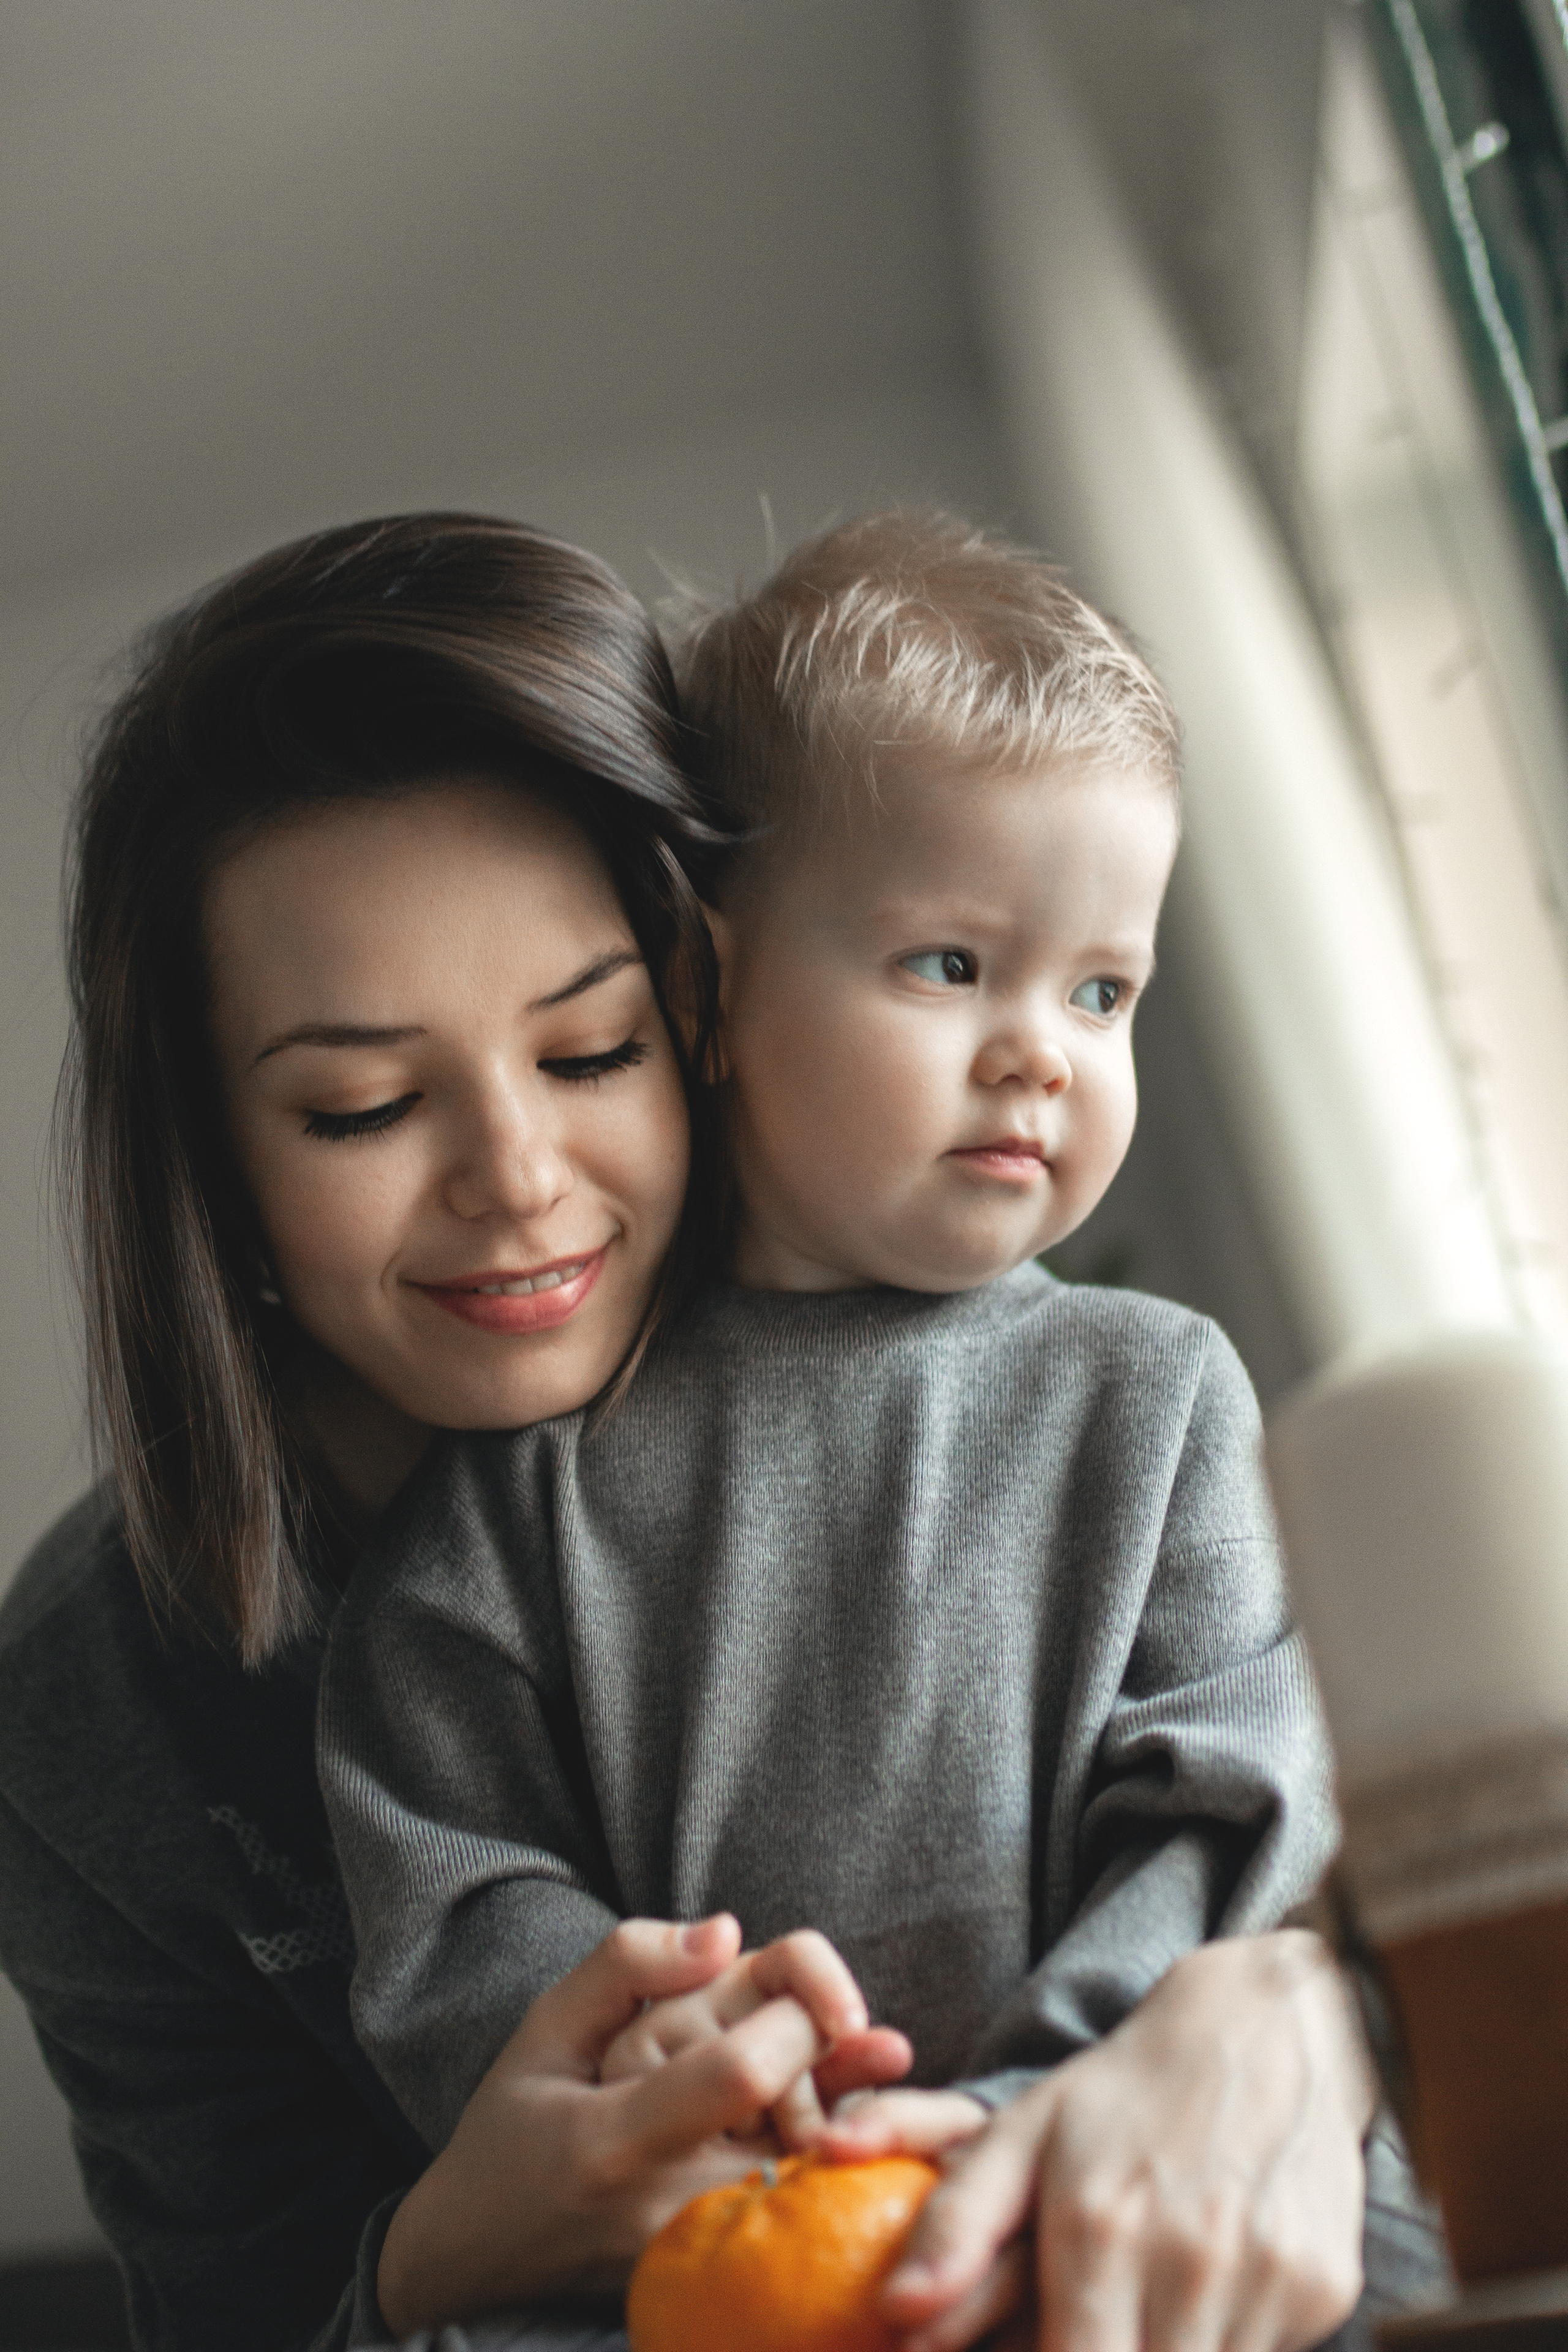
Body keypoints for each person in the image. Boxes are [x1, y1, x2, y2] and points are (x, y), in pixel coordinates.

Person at [320, 516, 1440, 2350]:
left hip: (1128, 2195)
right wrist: (664, 2062)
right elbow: (451, 1875)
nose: (1043, 1052)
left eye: (1102, 989)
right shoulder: (529, 1482)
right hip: (744, 2232)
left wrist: (1041, 2112)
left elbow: (1237, 1807)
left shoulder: (1155, 1397)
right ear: (708, 992)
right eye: (949, 964)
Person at [0, 511, 911, 2352]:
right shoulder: (99, 1704)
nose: (517, 1177)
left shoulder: (985, 1400)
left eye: (591, 1054)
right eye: (360, 1106)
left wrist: (1283, 2019)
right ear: (208, 1162)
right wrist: (441, 2261)